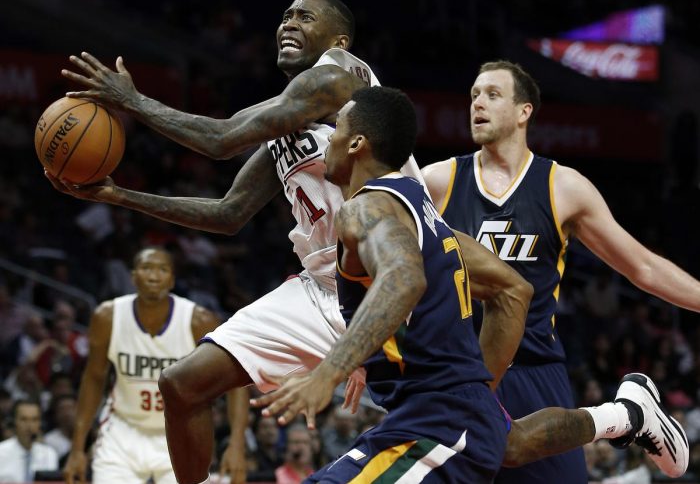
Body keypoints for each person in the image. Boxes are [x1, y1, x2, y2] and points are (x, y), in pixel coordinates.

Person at [48, 0, 423, 484]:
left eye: (304, 17)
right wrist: (118, 195)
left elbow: (221, 141)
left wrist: (132, 102)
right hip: (319, 288)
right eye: (285, 15)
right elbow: (228, 213)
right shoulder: (289, 116)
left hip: (387, 284)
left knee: (450, 433)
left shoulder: (336, 79)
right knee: (182, 385)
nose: (288, 23)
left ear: (339, 40)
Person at [252, 87, 688, 481]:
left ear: (356, 143)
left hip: (435, 425)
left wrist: (330, 371)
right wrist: (478, 394)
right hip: (441, 413)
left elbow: (404, 280)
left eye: (336, 131)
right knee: (510, 442)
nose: (327, 140)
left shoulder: (364, 211)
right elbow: (512, 289)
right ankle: (626, 414)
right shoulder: (420, 206)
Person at [421, 60, 700, 484]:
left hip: (535, 370)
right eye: (474, 95)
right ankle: (626, 415)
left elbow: (641, 265)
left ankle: (632, 414)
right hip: (461, 369)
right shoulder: (437, 181)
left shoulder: (562, 186)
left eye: (492, 94)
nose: (477, 103)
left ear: (523, 111)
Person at [62, 247, 225, 484]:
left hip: (180, 431)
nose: (153, 276)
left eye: (162, 269)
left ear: (172, 279)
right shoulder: (107, 316)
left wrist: (237, 445)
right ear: (133, 276)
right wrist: (77, 448)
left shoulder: (198, 320)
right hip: (122, 432)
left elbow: (234, 384)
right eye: (146, 268)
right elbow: (94, 379)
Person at [0, 399, 59, 482]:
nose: (29, 425)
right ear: (14, 421)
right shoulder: (1, 452)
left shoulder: (49, 454)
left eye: (34, 419)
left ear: (40, 423)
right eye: (24, 419)